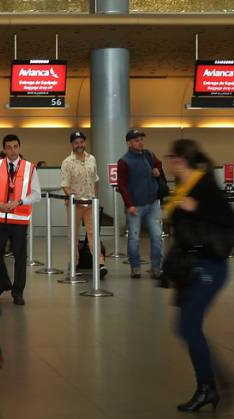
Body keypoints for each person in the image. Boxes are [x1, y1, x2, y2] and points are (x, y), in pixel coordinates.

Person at [162, 139, 234, 412]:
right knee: (184, 327)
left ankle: (208, 387)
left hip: (210, 267)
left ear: (179, 160)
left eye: (171, 157)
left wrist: (196, 209)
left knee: (189, 327)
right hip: (192, 267)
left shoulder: (204, 186)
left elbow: (228, 220)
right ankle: (218, 380)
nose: (168, 162)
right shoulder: (184, 186)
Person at [0, 134, 41, 306]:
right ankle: (3, 283)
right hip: (1, 218)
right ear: (4, 149)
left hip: (19, 219)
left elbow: (36, 194)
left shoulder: (29, 167)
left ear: (20, 147)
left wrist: (20, 201)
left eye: (15, 146)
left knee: (20, 257)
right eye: (9, 147)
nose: (12, 150)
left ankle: (18, 292)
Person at [117, 129, 165, 279]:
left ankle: (156, 267)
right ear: (129, 143)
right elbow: (122, 185)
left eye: (141, 139)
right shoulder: (124, 162)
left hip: (153, 203)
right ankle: (135, 267)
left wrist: (158, 170)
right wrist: (129, 204)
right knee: (134, 238)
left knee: (157, 236)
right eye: (137, 140)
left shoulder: (149, 155)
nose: (140, 142)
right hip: (135, 206)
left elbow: (159, 164)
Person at [60, 131, 106, 273]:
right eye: (76, 142)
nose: (79, 145)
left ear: (84, 143)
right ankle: (74, 262)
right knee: (73, 234)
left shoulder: (92, 159)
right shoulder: (67, 162)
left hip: (90, 203)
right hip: (75, 205)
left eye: (81, 142)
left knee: (93, 234)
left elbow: (96, 180)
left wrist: (96, 198)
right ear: (72, 144)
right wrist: (71, 195)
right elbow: (64, 185)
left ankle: (99, 263)